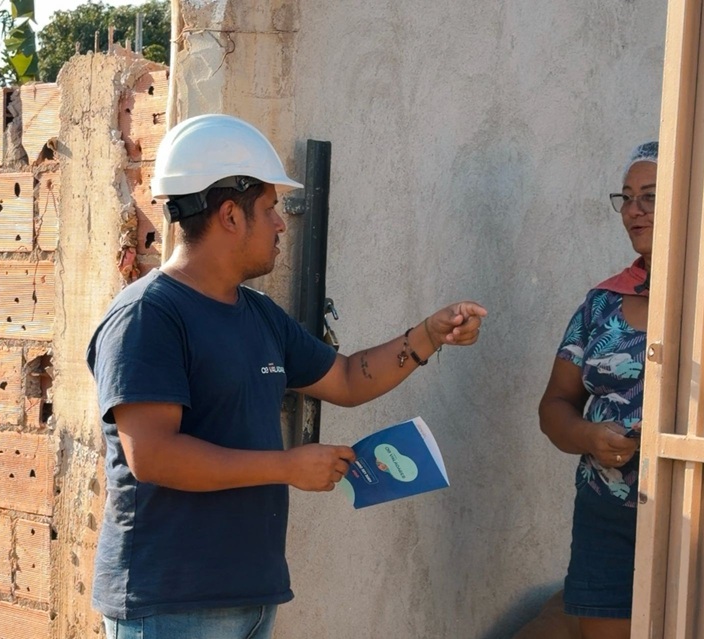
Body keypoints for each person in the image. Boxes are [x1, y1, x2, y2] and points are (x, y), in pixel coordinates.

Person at [86, 113, 488, 639]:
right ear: (230, 215)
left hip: (252, 598)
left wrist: (429, 335)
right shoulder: (149, 316)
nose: (281, 224)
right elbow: (154, 455)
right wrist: (287, 466)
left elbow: (347, 378)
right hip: (169, 603)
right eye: (270, 208)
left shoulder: (259, 315)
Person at [538, 141, 658, 639]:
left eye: (650, 196)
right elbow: (555, 405)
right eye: (626, 198)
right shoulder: (601, 304)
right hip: (606, 515)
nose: (633, 210)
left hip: (699, 517)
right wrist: (588, 436)